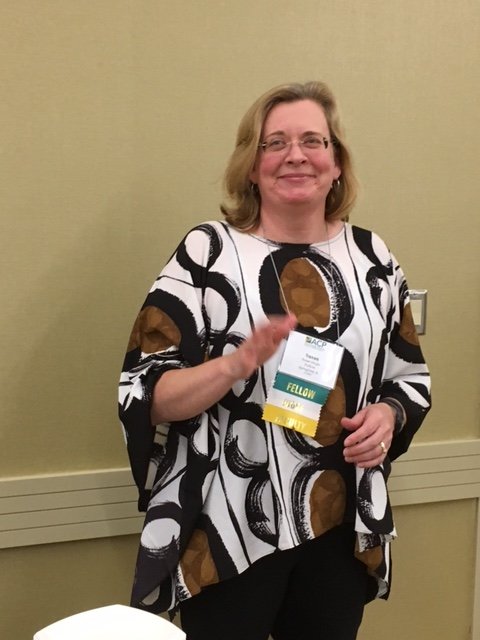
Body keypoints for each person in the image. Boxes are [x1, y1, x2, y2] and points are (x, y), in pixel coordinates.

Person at [118, 81, 431, 640]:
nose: (296, 155)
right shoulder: (207, 254)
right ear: (251, 166)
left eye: (313, 141)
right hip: (226, 523)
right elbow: (147, 394)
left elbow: (408, 379)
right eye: (275, 143)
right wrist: (235, 365)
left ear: (336, 163)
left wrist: (387, 417)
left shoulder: (374, 259)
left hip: (338, 524)